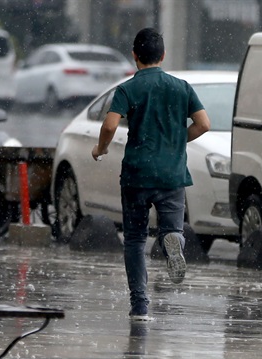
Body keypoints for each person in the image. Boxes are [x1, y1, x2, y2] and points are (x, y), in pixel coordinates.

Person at [91, 27, 210, 321]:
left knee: (134, 239)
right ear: (163, 55)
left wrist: (100, 149)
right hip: (172, 175)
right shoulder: (181, 86)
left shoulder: (128, 88)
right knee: (173, 229)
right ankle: (174, 245)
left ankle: (140, 305)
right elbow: (204, 124)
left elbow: (109, 126)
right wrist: (176, 140)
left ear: (134, 56)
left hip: (137, 175)